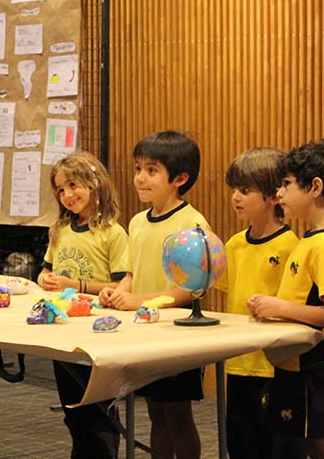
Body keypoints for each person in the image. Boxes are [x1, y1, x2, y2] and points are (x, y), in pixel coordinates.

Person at [99, 130, 208, 459]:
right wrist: (118, 293)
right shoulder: (137, 222)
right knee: (155, 413)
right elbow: (132, 274)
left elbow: (191, 290)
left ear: (180, 178)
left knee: (177, 414)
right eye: (138, 169)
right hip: (144, 333)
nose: (140, 178)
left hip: (176, 337)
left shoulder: (192, 224)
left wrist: (141, 301)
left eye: (151, 170)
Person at [247, 141, 324, 459]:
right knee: (307, 444)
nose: (279, 193)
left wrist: (281, 308)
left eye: (287, 184)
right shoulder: (311, 240)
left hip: (315, 365)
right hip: (296, 363)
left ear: (315, 188)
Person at [38, 151, 130, 459]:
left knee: (98, 412)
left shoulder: (112, 233)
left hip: (97, 331)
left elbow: (119, 286)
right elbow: (46, 271)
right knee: (72, 408)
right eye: (61, 189)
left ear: (95, 183)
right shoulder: (60, 230)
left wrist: (75, 285)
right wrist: (46, 280)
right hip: (64, 330)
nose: (67, 195)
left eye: (73, 185)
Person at [217, 147, 304, 459]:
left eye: (245, 190)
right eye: (234, 190)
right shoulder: (234, 245)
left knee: (279, 447)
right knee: (241, 443)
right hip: (239, 362)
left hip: (275, 366)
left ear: (272, 196)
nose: (235, 198)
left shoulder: (290, 246)